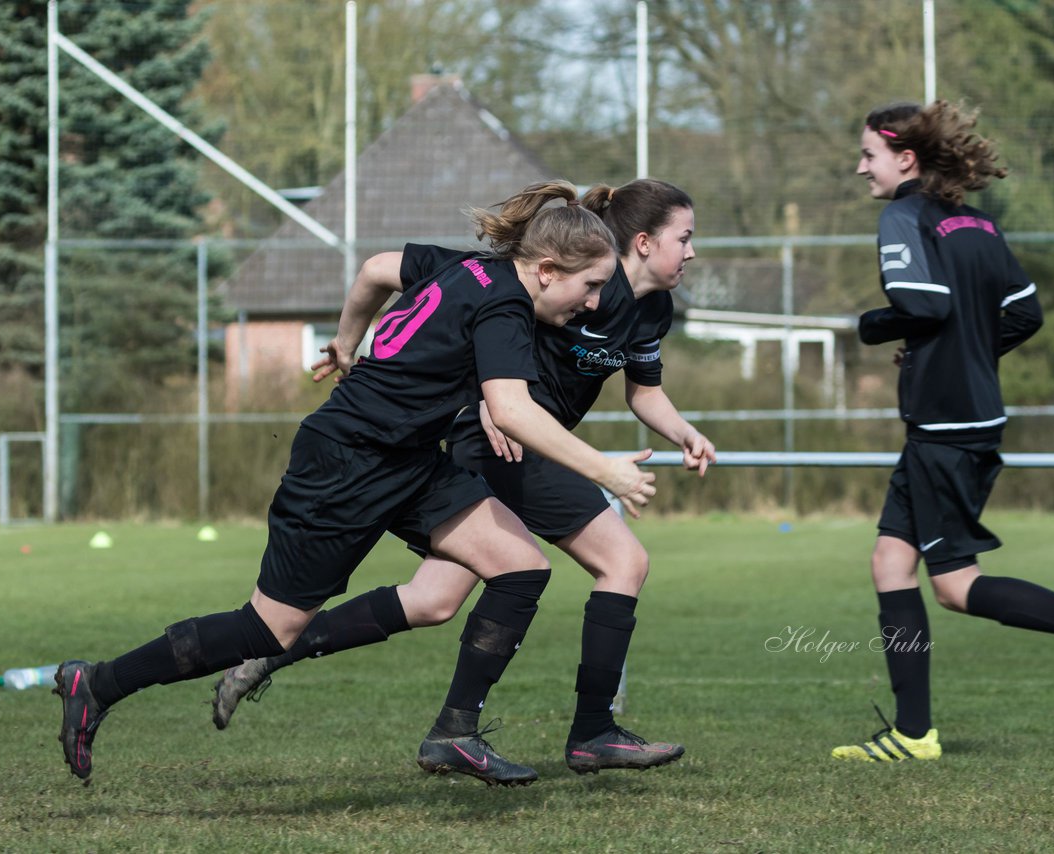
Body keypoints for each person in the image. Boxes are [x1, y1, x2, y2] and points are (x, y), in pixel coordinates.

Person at [53, 180, 659, 785]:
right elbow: (511, 410)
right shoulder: (504, 304)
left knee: (519, 567)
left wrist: (346, 343)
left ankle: (455, 733)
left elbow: (374, 270)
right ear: (549, 270)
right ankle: (99, 681)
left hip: (408, 460)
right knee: (267, 628)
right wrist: (606, 469)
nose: (593, 302)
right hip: (346, 464)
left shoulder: (475, 268)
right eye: (591, 286)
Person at [210, 179, 715, 781]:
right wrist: (365, 353)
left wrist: (682, 430)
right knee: (623, 562)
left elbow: (645, 391)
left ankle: (276, 649)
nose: (690, 251)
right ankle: (589, 732)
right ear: (642, 240)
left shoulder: (652, 309)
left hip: (531, 444)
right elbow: (439, 301)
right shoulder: (555, 277)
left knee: (432, 601)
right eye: (683, 238)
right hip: (506, 443)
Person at [832, 100, 1054, 763]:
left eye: (868, 153)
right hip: (967, 414)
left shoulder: (902, 215)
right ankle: (913, 733)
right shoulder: (977, 221)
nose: (860, 165)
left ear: (907, 158)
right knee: (890, 563)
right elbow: (1025, 314)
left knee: (955, 585)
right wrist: (963, 354)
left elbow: (925, 303)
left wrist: (876, 327)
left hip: (944, 427)